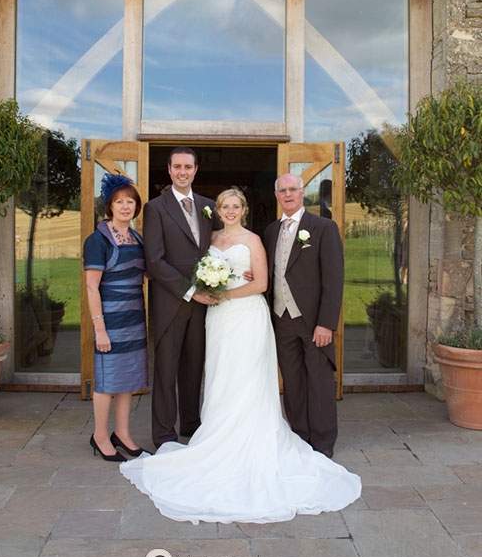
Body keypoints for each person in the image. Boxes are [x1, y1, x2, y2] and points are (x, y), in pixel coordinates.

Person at [120, 187, 361, 524]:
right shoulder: (211, 239)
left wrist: (224, 294)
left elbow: (261, 283)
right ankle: (218, 432)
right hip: (218, 320)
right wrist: (207, 289)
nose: (230, 211)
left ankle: (296, 438)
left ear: (244, 210)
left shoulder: (255, 239)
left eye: (236, 206)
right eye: (225, 206)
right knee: (222, 375)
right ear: (217, 210)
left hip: (246, 316)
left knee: (249, 376)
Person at [263, 173, 344, 459]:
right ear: (276, 196)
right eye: (282, 190)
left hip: (313, 320)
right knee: (293, 381)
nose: (288, 194)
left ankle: (323, 440)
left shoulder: (323, 227)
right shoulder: (270, 232)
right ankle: (299, 435)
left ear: (302, 192)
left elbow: (333, 279)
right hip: (281, 318)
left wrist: (326, 323)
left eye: (293, 189)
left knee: (319, 381)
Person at [143, 147, 218, 449]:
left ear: (196, 170)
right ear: (169, 170)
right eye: (177, 167)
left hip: (203, 305)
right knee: (166, 370)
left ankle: (191, 425)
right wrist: (190, 290)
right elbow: (154, 260)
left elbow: (220, 247)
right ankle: (164, 435)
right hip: (171, 303)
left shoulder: (209, 206)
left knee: (194, 367)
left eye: (188, 167)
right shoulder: (155, 208)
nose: (182, 172)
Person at [83, 172, 148, 462]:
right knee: (107, 380)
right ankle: (99, 435)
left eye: (130, 202)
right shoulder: (97, 240)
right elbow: (91, 287)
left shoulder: (136, 237)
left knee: (127, 378)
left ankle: (122, 433)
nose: (125, 206)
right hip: (109, 321)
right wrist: (100, 329)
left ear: (136, 206)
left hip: (134, 319)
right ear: (109, 206)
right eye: (119, 201)